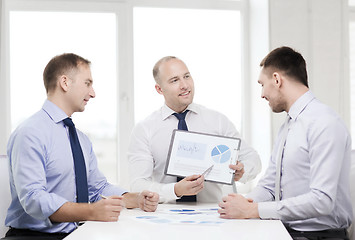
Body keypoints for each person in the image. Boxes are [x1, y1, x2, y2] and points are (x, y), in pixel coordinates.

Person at [4, 53, 159, 239]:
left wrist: (135, 198)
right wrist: (91, 212)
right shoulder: (30, 133)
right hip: (33, 237)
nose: (93, 93)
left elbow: (97, 188)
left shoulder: (81, 139)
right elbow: (34, 199)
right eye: (87, 83)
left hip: (76, 233)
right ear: (65, 83)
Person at [218, 46, 352, 239]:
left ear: (277, 79)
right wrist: (240, 203)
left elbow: (322, 200)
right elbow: (270, 186)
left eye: (262, 84)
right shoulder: (288, 127)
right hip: (288, 232)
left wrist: (253, 210)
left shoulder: (324, 122)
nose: (262, 94)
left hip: (321, 236)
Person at [128, 56, 261, 203]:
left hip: (216, 216)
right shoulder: (145, 129)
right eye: (174, 80)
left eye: (187, 76)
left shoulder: (217, 121)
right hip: (166, 218)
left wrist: (243, 171)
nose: (184, 85)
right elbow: (137, 185)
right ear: (159, 89)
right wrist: (175, 190)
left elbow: (253, 159)